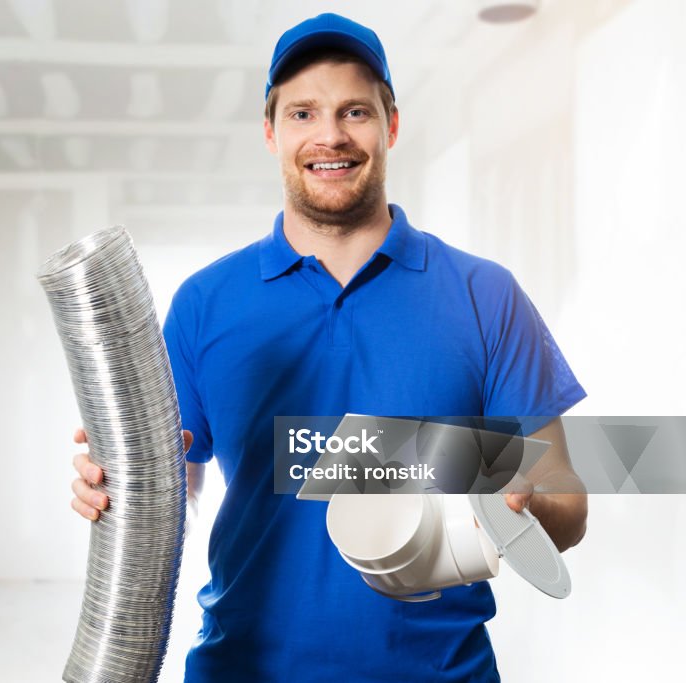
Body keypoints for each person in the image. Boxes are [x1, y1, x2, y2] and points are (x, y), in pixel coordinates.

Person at [71, 13, 587, 682]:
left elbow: (567, 501)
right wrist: (113, 486)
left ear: (391, 124)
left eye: (354, 111)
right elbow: (178, 491)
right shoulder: (206, 302)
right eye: (303, 112)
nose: (330, 135)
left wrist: (524, 500)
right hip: (244, 668)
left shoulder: (484, 294)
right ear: (271, 132)